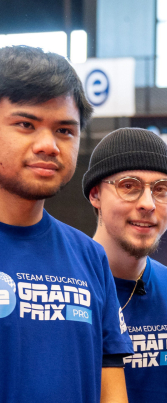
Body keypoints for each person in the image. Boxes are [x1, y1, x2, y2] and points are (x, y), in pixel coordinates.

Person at [0, 45, 133, 402]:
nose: (49, 145)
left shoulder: (89, 256)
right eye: (25, 124)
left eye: (64, 131)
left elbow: (111, 384)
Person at [83, 127, 167, 402]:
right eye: (129, 186)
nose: (148, 204)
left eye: (161, 190)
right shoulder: (66, 284)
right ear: (96, 194)